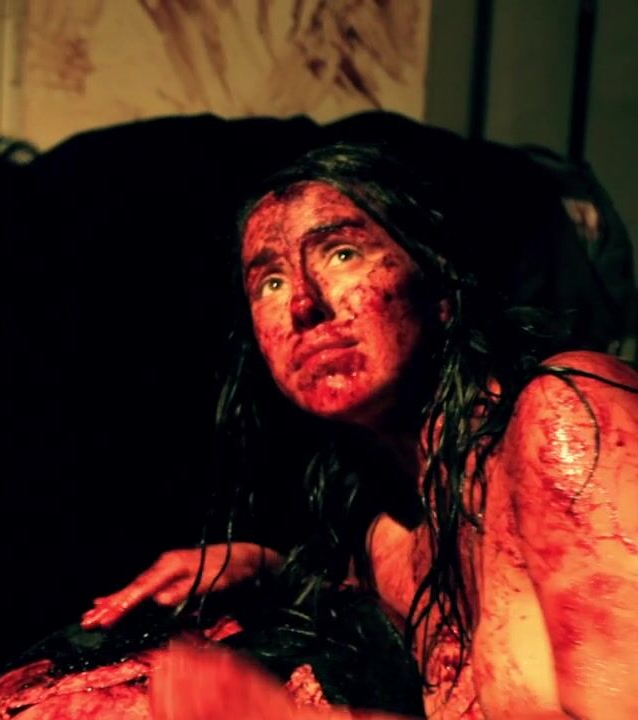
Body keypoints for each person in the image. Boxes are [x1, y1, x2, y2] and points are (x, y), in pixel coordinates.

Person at [87, 142, 638, 718]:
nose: (303, 304)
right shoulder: (384, 536)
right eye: (270, 283)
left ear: (439, 283)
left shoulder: (572, 415)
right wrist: (265, 568)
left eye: (342, 253)